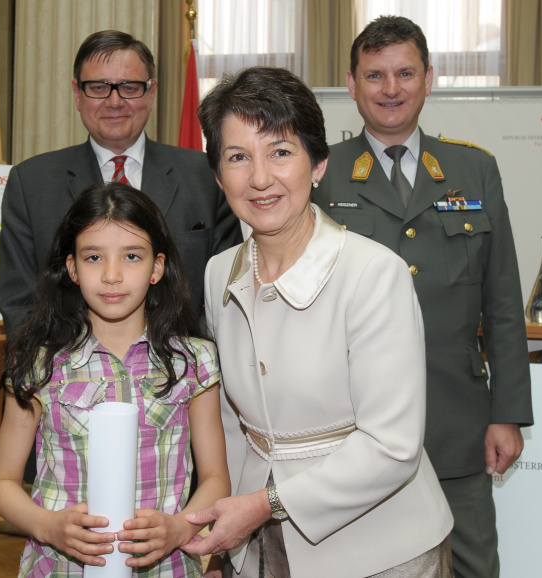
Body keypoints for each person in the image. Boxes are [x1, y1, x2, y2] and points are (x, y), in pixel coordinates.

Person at [181, 66, 454, 577]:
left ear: (319, 163)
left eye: (281, 152)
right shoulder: (220, 272)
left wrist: (261, 506)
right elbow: (234, 424)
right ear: (219, 178)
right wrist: (226, 540)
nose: (260, 178)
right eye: (238, 158)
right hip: (262, 544)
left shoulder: (373, 273)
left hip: (384, 549)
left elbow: (392, 447)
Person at [312, 15, 534, 578]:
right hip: (354, 424)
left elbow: (502, 298)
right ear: (352, 82)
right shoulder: (321, 176)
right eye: (375, 75)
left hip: (458, 419)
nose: (391, 89)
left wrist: (507, 413)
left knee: (473, 567)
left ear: (429, 78)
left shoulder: (474, 169)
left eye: (405, 73)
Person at [0, 183, 231, 576]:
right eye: (94, 257)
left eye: (131, 256)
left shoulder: (195, 361)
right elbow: (1, 482)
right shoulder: (39, 362)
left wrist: (180, 527)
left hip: (165, 567)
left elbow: (217, 477)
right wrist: (47, 526)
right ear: (72, 269)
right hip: (60, 567)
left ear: (157, 267)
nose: (112, 275)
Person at [0, 29, 242, 340]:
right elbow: (19, 302)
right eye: (99, 87)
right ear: (77, 93)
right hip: (68, 377)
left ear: (151, 93)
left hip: (183, 372)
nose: (114, 101)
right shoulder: (30, 183)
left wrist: (192, 367)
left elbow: (226, 294)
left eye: (129, 87)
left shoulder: (205, 176)